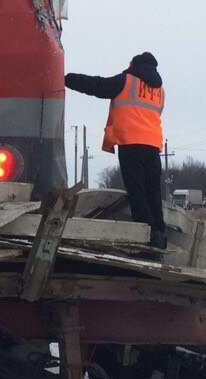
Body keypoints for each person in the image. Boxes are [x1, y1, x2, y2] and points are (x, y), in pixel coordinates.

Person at [64, 52, 168, 250]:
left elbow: (97, 86)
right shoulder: (160, 91)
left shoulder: (127, 80)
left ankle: (147, 242)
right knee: (153, 193)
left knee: (137, 193)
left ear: (134, 65)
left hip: (131, 143)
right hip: (153, 146)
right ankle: (159, 238)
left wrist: (67, 79)